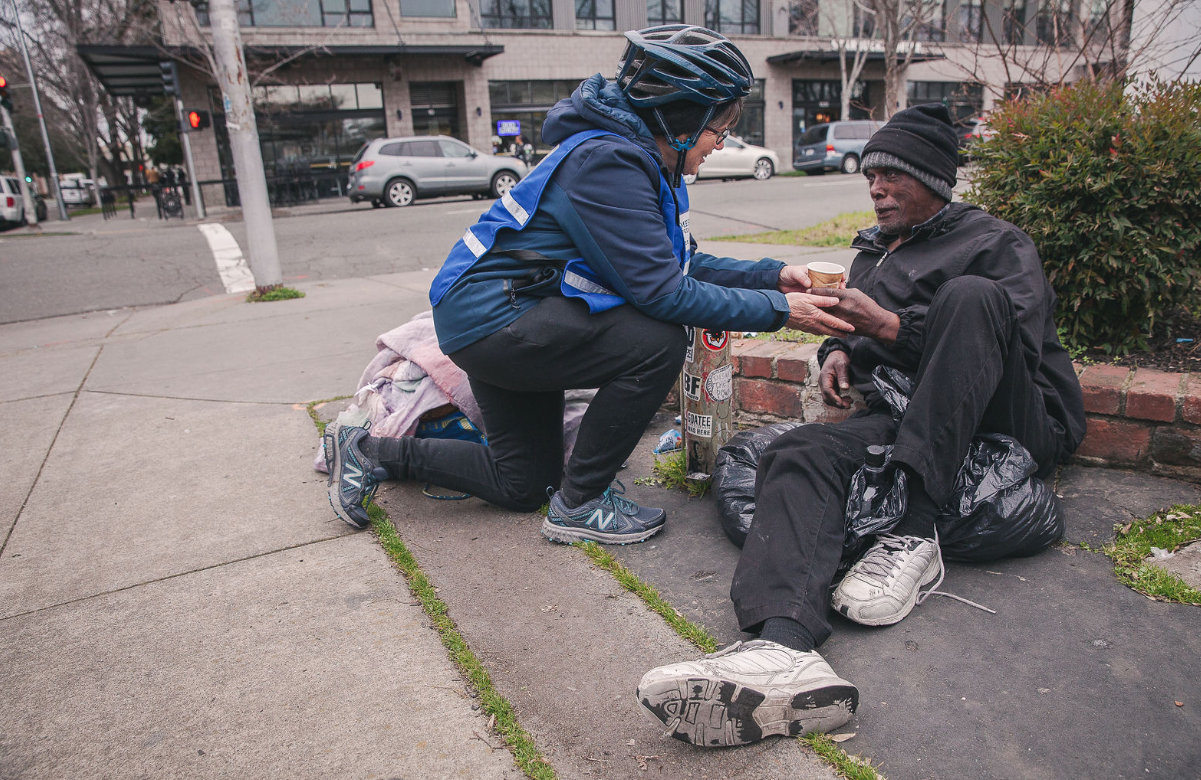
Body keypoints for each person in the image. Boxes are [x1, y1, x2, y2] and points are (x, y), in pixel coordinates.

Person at [636, 103, 1086, 746]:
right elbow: (855, 336)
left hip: (1011, 418)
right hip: (907, 412)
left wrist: (889, 327)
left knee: (970, 297)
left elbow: (997, 338)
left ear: (933, 177)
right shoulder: (875, 252)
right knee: (798, 451)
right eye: (871, 175)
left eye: (893, 176)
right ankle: (783, 649)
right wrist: (837, 354)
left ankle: (916, 533)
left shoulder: (994, 243)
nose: (876, 188)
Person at [323, 25, 850, 544]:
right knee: (658, 339)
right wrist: (782, 310)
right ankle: (582, 505)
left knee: (525, 483)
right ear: (684, 117)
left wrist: (776, 275)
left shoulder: (636, 159)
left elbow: (679, 264)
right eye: (720, 126)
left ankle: (368, 451)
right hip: (499, 321)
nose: (721, 142)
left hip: (506, 315)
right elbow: (665, 294)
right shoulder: (609, 163)